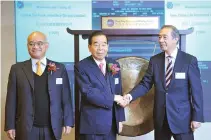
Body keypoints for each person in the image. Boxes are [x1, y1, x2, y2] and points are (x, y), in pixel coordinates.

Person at [121, 25, 204, 140]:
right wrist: (130, 96)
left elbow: (197, 91)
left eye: (164, 37)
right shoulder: (155, 60)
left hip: (182, 118)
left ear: (176, 39)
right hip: (161, 118)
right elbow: (145, 84)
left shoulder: (189, 61)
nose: (160, 40)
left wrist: (197, 117)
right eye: (159, 37)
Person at [4, 31, 74, 140]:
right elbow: (11, 100)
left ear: (46, 46)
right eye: (31, 44)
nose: (35, 47)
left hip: (52, 127)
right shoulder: (17, 69)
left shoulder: (59, 68)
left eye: (40, 43)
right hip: (26, 127)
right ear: (27, 46)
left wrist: (68, 121)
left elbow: (66, 97)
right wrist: (10, 125)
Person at [75, 31, 125, 140]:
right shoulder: (81, 66)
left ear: (108, 46)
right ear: (89, 47)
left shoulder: (114, 64)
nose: (100, 48)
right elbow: (88, 93)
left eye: (103, 44)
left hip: (112, 123)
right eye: (96, 44)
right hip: (93, 124)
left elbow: (118, 92)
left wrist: (120, 119)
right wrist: (113, 98)